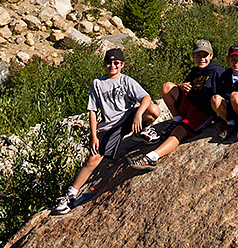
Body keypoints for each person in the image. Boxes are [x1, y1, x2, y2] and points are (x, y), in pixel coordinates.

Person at [52, 47, 161, 214]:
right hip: (110, 126)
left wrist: (139, 114)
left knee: (153, 110)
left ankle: (141, 132)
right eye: (109, 63)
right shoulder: (97, 83)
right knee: (93, 159)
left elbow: (145, 97)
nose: (113, 66)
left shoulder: (126, 80)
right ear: (105, 64)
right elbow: (92, 111)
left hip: (128, 117)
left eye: (116, 63)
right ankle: (70, 195)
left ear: (122, 64)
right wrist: (94, 136)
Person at [128, 39, 224, 170]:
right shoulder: (194, 72)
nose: (201, 58)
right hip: (190, 104)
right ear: (193, 56)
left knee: (178, 131)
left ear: (211, 55)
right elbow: (186, 87)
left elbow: (224, 95)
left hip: (202, 112)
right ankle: (177, 119)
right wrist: (182, 86)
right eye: (198, 55)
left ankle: (151, 157)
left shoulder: (217, 71)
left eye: (204, 55)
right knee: (167, 87)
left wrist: (223, 119)